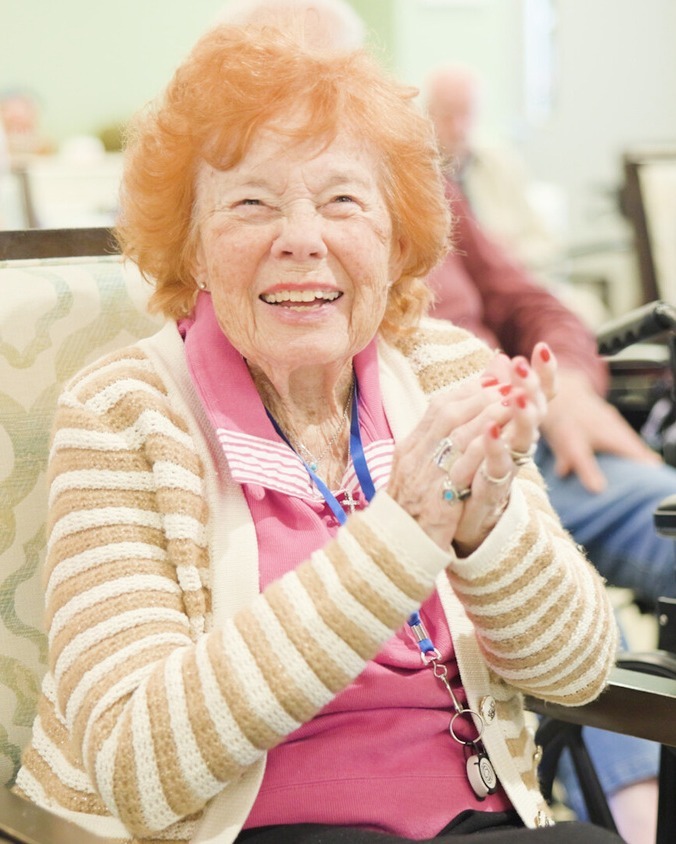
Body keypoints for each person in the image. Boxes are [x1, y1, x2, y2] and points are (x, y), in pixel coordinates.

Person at [12, 21, 623, 844]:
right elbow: (137, 768)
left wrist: (486, 531)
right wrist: (401, 535)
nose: (301, 239)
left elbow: (578, 672)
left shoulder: (445, 370)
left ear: (395, 239)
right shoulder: (123, 412)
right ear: (192, 247)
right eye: (252, 203)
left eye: (342, 201)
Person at [424, 64, 608, 329]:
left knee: (585, 311)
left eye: (466, 114)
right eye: (447, 114)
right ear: (427, 114)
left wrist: (509, 255)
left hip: (515, 285)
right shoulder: (418, 174)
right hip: (461, 299)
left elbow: (546, 243)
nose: (458, 128)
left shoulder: (502, 164)